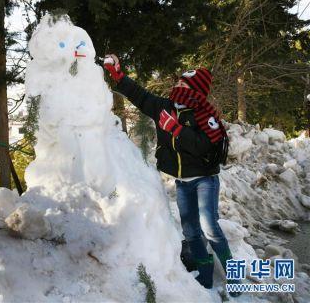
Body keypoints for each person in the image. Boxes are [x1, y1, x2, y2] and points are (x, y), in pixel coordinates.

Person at [103, 54, 241, 296]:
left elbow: (205, 146)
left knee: (210, 227)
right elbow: (141, 95)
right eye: (178, 83)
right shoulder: (165, 107)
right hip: (182, 182)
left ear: (194, 90)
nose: (176, 86)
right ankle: (206, 277)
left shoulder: (204, 114)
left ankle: (235, 276)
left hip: (204, 179)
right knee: (190, 232)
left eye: (182, 84)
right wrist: (118, 75)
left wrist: (176, 130)